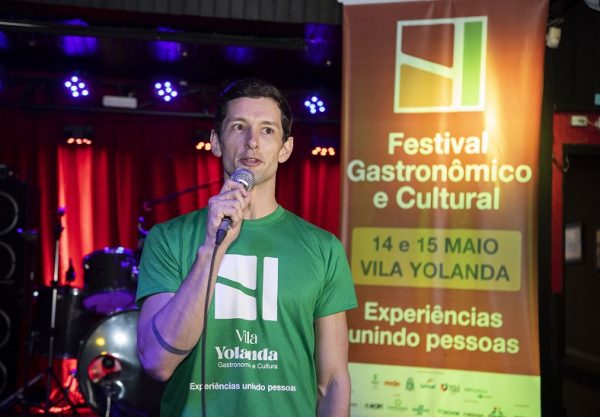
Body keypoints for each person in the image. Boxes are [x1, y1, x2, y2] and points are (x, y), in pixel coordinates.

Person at [135, 78, 357, 417]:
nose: (252, 141)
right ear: (216, 142)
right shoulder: (169, 238)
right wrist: (211, 248)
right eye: (239, 127)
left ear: (285, 148)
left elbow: (333, 382)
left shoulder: (324, 248)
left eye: (267, 130)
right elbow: (157, 362)